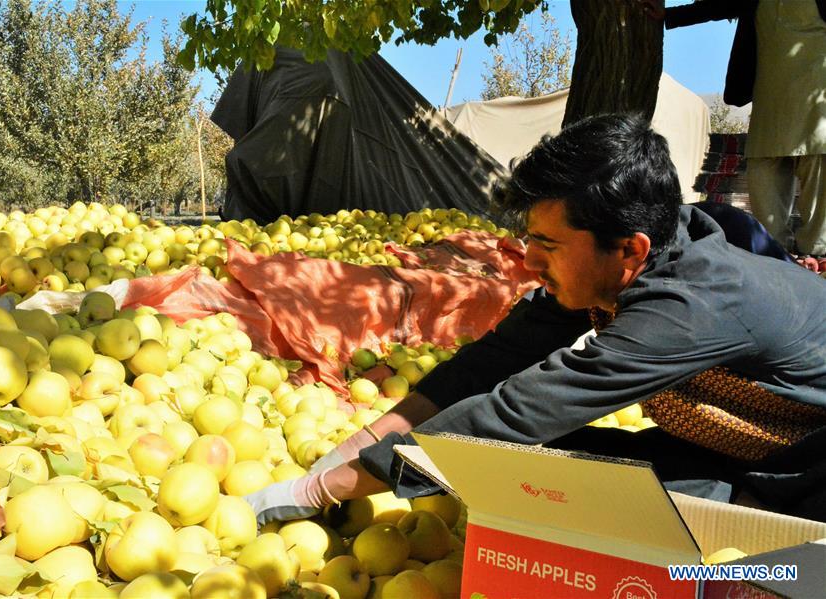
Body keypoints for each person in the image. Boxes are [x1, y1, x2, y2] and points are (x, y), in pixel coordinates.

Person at [246, 114, 826, 527]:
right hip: (731, 452)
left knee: (627, 525)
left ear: (629, 249)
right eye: (529, 238)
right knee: (536, 475)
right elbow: (491, 364)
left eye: (548, 243)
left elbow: (512, 414)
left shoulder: (689, 308)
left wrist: (320, 489)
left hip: (805, 477)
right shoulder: (625, 259)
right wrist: (370, 438)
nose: (528, 261)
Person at [642, 0, 826, 259]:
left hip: (818, 113)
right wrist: (668, 15)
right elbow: (716, 6)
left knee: (820, 203)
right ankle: (776, 260)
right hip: (769, 109)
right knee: (765, 192)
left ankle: (818, 258)